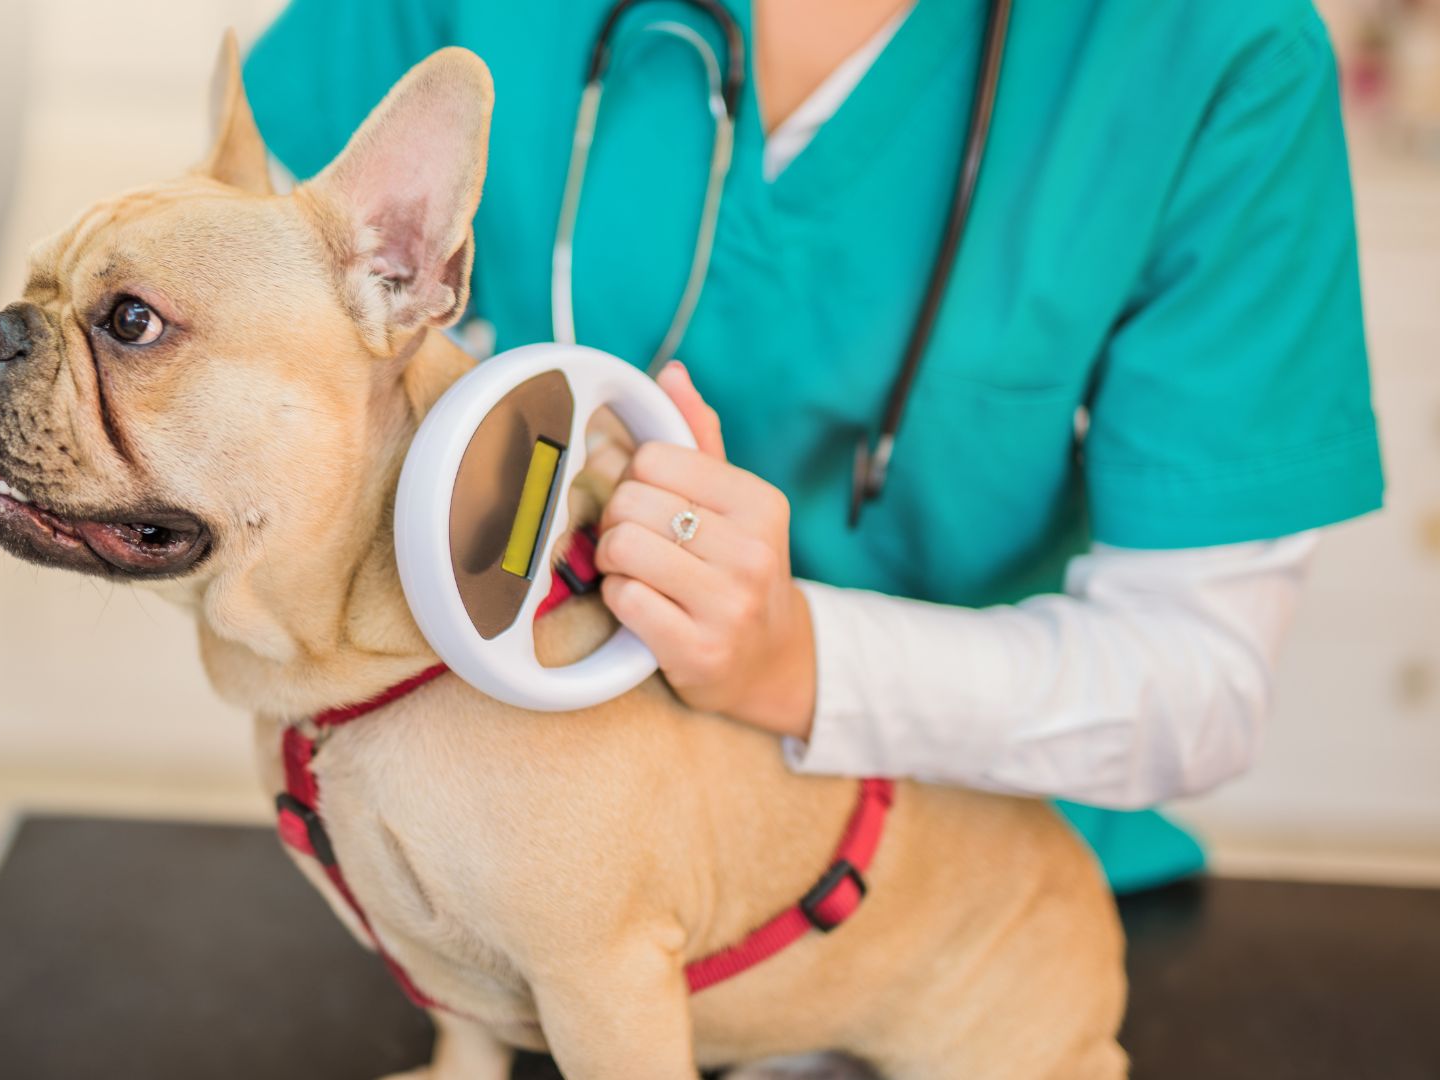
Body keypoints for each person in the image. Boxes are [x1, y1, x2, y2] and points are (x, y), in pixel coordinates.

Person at [243, 0, 1385, 893]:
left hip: (957, 897)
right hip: (495, 847)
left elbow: (1195, 686)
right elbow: (247, 325)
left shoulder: (1218, 53)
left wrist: (794, 660)